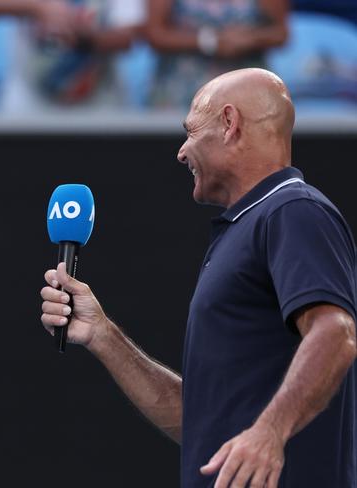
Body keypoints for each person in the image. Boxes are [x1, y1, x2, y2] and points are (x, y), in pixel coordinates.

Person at [40, 68, 357, 487]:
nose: (181, 151)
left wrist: (269, 432)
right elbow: (197, 421)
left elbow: (336, 332)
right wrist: (102, 333)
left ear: (229, 123)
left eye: (190, 131)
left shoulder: (292, 210)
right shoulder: (246, 227)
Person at [145, 0, 289, 109]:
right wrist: (208, 41)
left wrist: (251, 39)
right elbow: (154, 34)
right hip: (181, 93)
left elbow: (280, 33)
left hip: (248, 93)